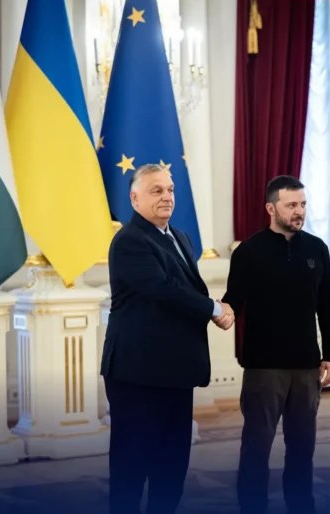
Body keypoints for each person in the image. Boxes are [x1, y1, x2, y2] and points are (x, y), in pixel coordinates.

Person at [100, 163, 234, 514]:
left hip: (175, 370)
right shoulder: (129, 241)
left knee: (172, 463)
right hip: (136, 373)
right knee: (132, 466)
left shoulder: (181, 236)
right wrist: (214, 309)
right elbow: (164, 290)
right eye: (156, 190)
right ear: (135, 199)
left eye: (170, 190)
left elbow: (186, 289)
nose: (167, 197)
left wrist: (214, 306)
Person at [220, 175, 330, 514]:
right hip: (263, 368)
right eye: (291, 205)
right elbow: (233, 301)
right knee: (256, 448)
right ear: (271, 209)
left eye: (302, 204)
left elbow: (327, 305)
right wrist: (221, 313)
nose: (299, 211)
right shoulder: (248, 252)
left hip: (306, 368)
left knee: (302, 449)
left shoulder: (317, 248)